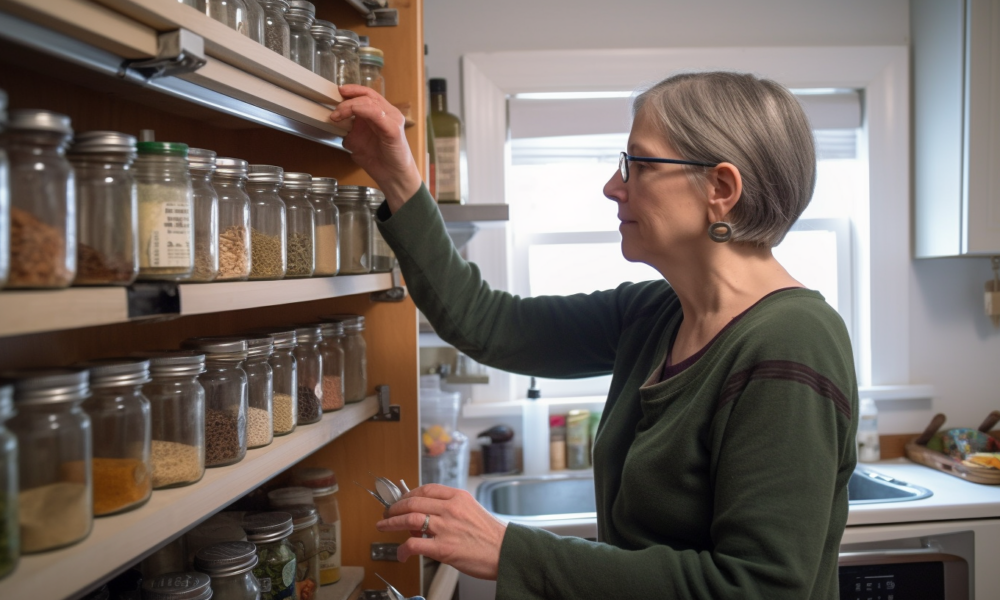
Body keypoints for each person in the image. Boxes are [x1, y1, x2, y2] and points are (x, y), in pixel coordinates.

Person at [329, 71, 858, 599]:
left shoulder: (792, 342)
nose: (613, 187)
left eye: (640, 164)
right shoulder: (656, 314)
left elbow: (758, 589)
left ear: (720, 188)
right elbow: (487, 323)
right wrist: (397, 175)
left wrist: (509, 549)